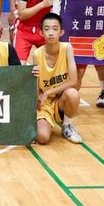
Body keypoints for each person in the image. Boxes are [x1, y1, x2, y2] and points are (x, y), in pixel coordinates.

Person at [29, 13, 83, 144]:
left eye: (55, 28)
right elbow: (37, 89)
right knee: (43, 138)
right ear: (41, 32)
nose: (51, 33)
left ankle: (67, 126)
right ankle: (40, 122)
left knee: (73, 93)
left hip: (60, 99)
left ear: (61, 32)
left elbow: (73, 81)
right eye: (47, 29)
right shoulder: (37, 54)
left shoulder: (67, 48)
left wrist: (48, 92)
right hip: (45, 102)